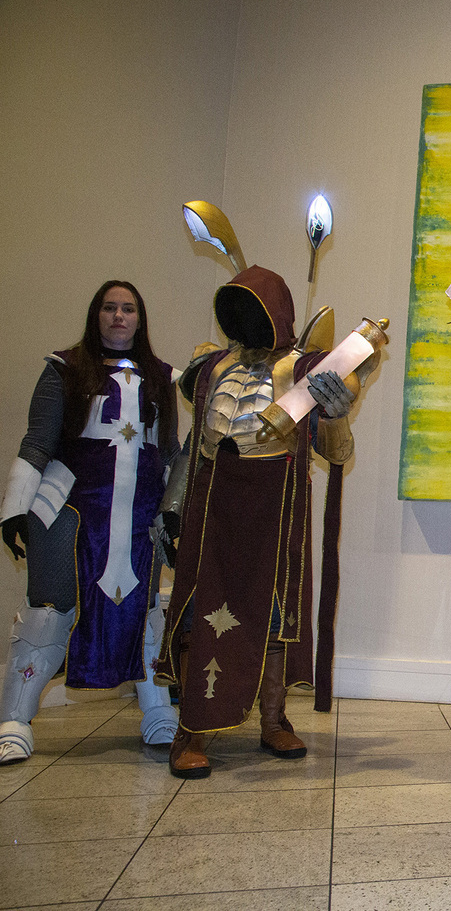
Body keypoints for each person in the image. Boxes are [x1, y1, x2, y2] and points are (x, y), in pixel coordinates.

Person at [155, 264, 367, 778]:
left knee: (275, 612)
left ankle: (273, 719)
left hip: (275, 501)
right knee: (197, 612)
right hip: (213, 501)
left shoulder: (302, 369)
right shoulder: (211, 367)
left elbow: (337, 451)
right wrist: (173, 507)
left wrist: (336, 412)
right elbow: (196, 442)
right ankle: (190, 728)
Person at [0, 280, 180, 763]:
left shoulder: (161, 377)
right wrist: (14, 507)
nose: (119, 316)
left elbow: (170, 452)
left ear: (140, 318)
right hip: (68, 512)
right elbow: (38, 441)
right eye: (109, 307)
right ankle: (14, 719)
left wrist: (175, 511)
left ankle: (158, 711)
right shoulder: (63, 368)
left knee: (145, 609)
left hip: (139, 516)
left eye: (128, 309)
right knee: (49, 610)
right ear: (96, 314)